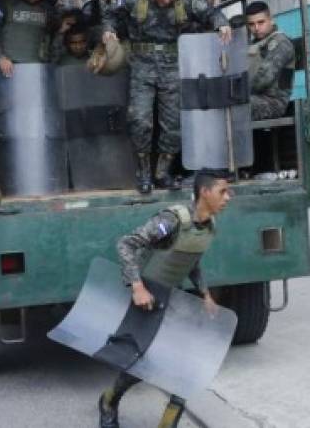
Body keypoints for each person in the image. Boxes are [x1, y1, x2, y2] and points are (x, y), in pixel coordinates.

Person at [98, 170, 231, 428]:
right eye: (223, 191)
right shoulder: (172, 220)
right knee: (138, 365)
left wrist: (205, 294)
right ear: (205, 192)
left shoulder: (209, 226)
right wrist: (136, 286)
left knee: (183, 373)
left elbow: (192, 261)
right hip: (146, 300)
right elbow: (126, 244)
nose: (228, 197)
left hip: (171, 301)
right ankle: (107, 401)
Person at [102, 0, 231, 193]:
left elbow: (210, 13)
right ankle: (143, 173)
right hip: (141, 64)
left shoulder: (187, 2)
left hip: (172, 66)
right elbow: (111, 13)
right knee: (140, 120)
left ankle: (162, 173)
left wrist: (222, 23)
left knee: (172, 124)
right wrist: (109, 30)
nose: (165, 0)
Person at [245, 1, 296, 120]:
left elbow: (264, 78)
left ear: (270, 19)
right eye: (251, 24)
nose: (256, 28)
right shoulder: (255, 44)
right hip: (256, 98)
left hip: (273, 103)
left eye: (260, 22)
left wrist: (238, 93)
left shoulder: (281, 42)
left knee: (234, 105)